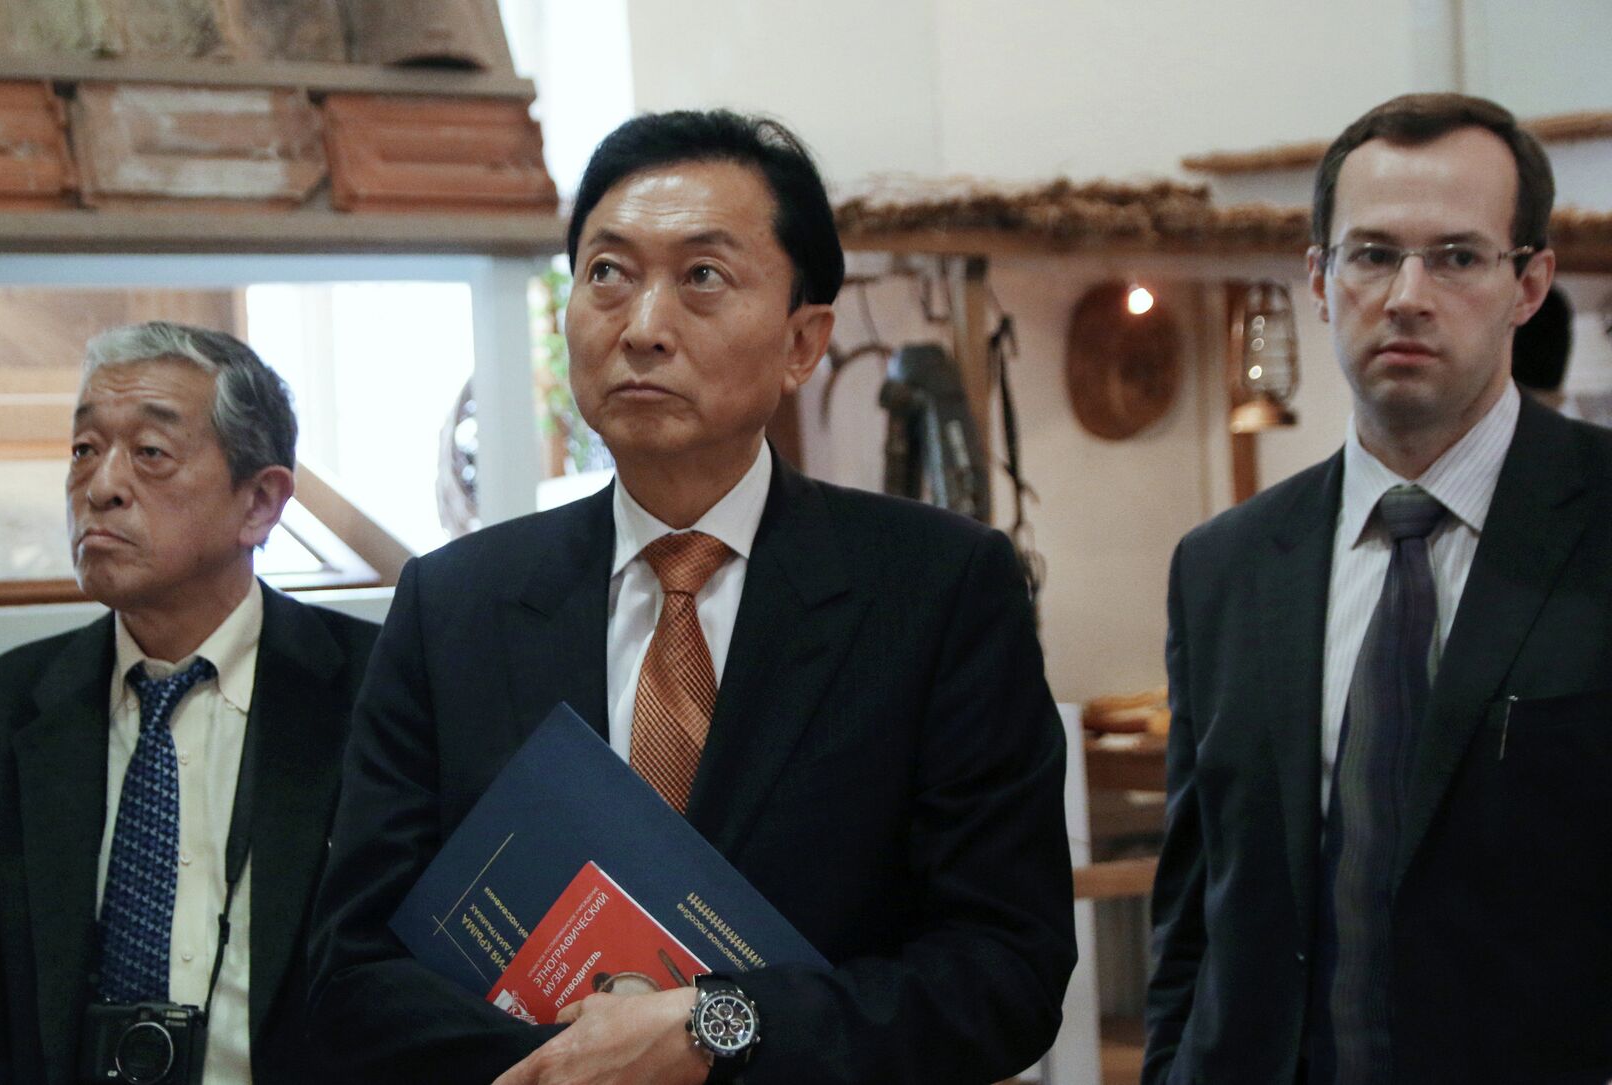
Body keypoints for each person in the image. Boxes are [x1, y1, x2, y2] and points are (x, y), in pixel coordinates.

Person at [308, 109, 1075, 1085]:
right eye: (607, 273)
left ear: (803, 341)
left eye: (703, 276)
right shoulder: (453, 603)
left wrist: (718, 1030)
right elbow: (352, 966)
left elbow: (1005, 969)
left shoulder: (937, 589)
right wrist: (577, 1064)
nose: (642, 326)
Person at [1146, 93, 1612, 1085]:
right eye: (1372, 254)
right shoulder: (1225, 565)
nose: (1407, 294)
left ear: (1529, 284)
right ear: (1320, 279)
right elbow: (1195, 903)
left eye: (1457, 257)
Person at [0, 322, 378, 1084]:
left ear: (260, 501)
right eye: (84, 449)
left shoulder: (374, 691)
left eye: (151, 452)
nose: (101, 486)